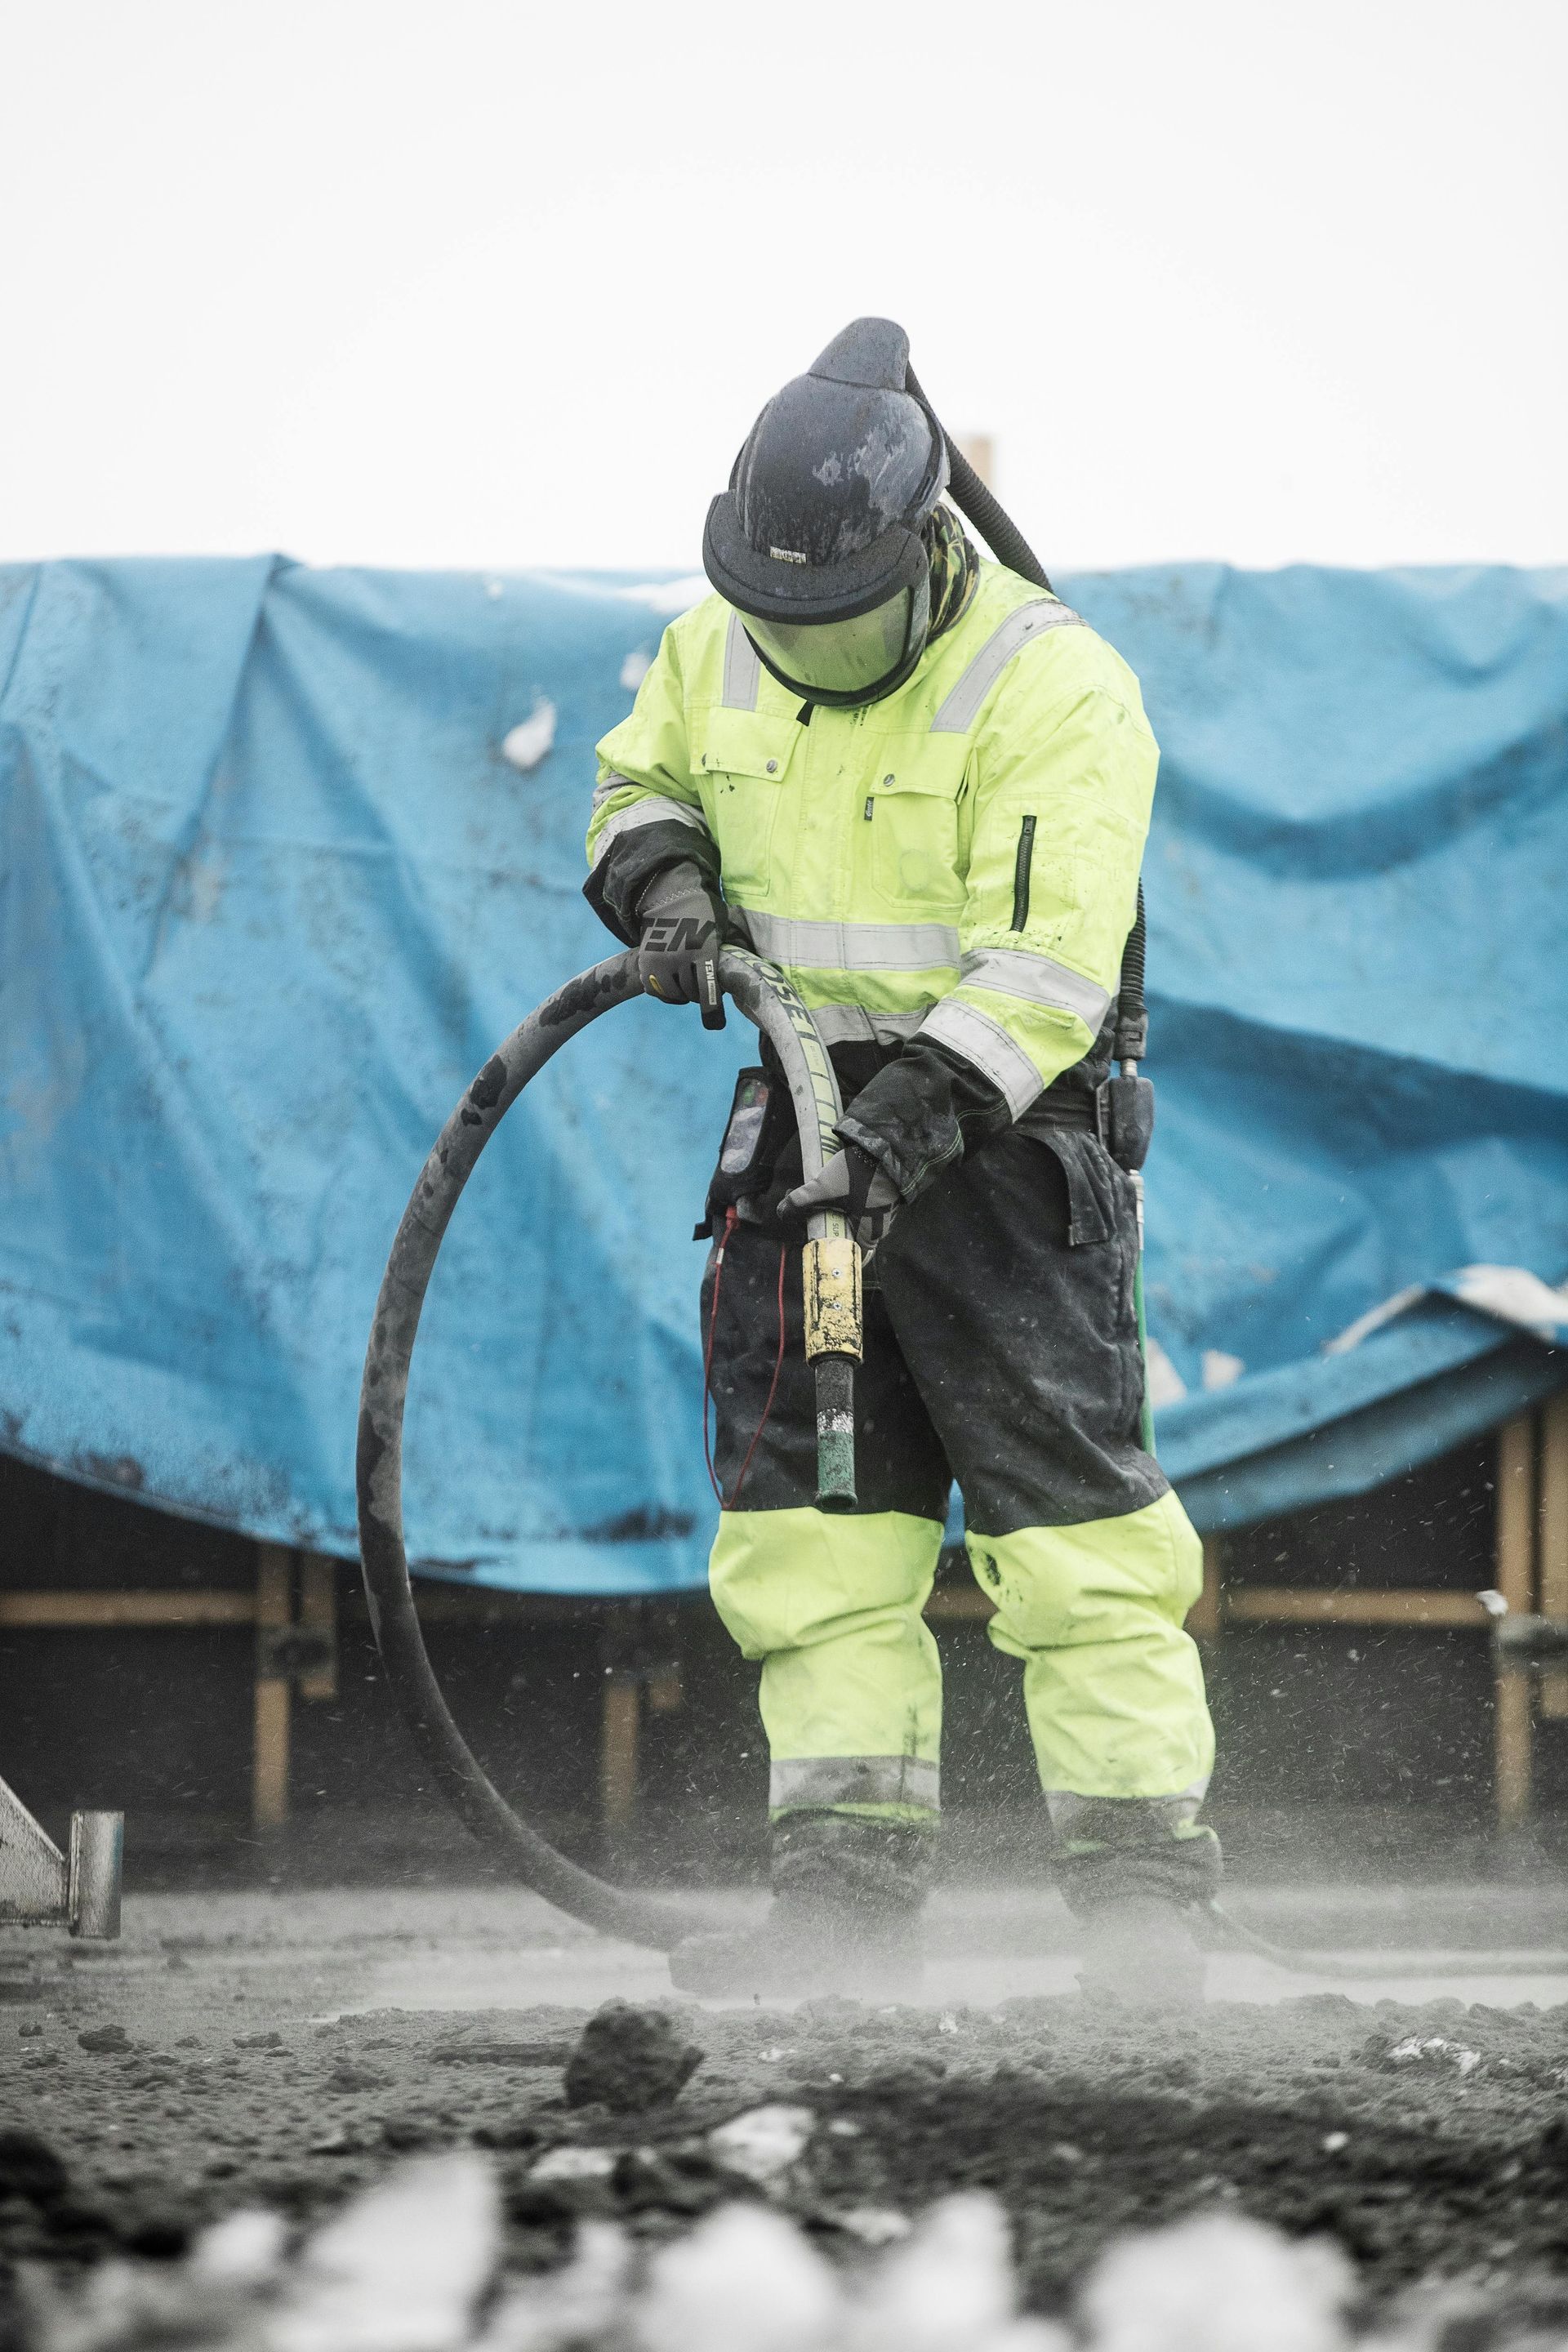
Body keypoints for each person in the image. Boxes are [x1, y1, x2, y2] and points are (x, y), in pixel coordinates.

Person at [583, 318, 1218, 2002]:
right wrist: (663, 886)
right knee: (818, 1533)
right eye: (773, 611)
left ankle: (1145, 1908)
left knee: (1074, 1542)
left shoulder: (1052, 681)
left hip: (1001, 1140)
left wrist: (909, 1128)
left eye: (831, 614)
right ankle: (846, 1906)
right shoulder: (715, 640)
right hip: (801, 1130)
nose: (794, 643)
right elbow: (637, 782)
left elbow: (1053, 964)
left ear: (923, 545)